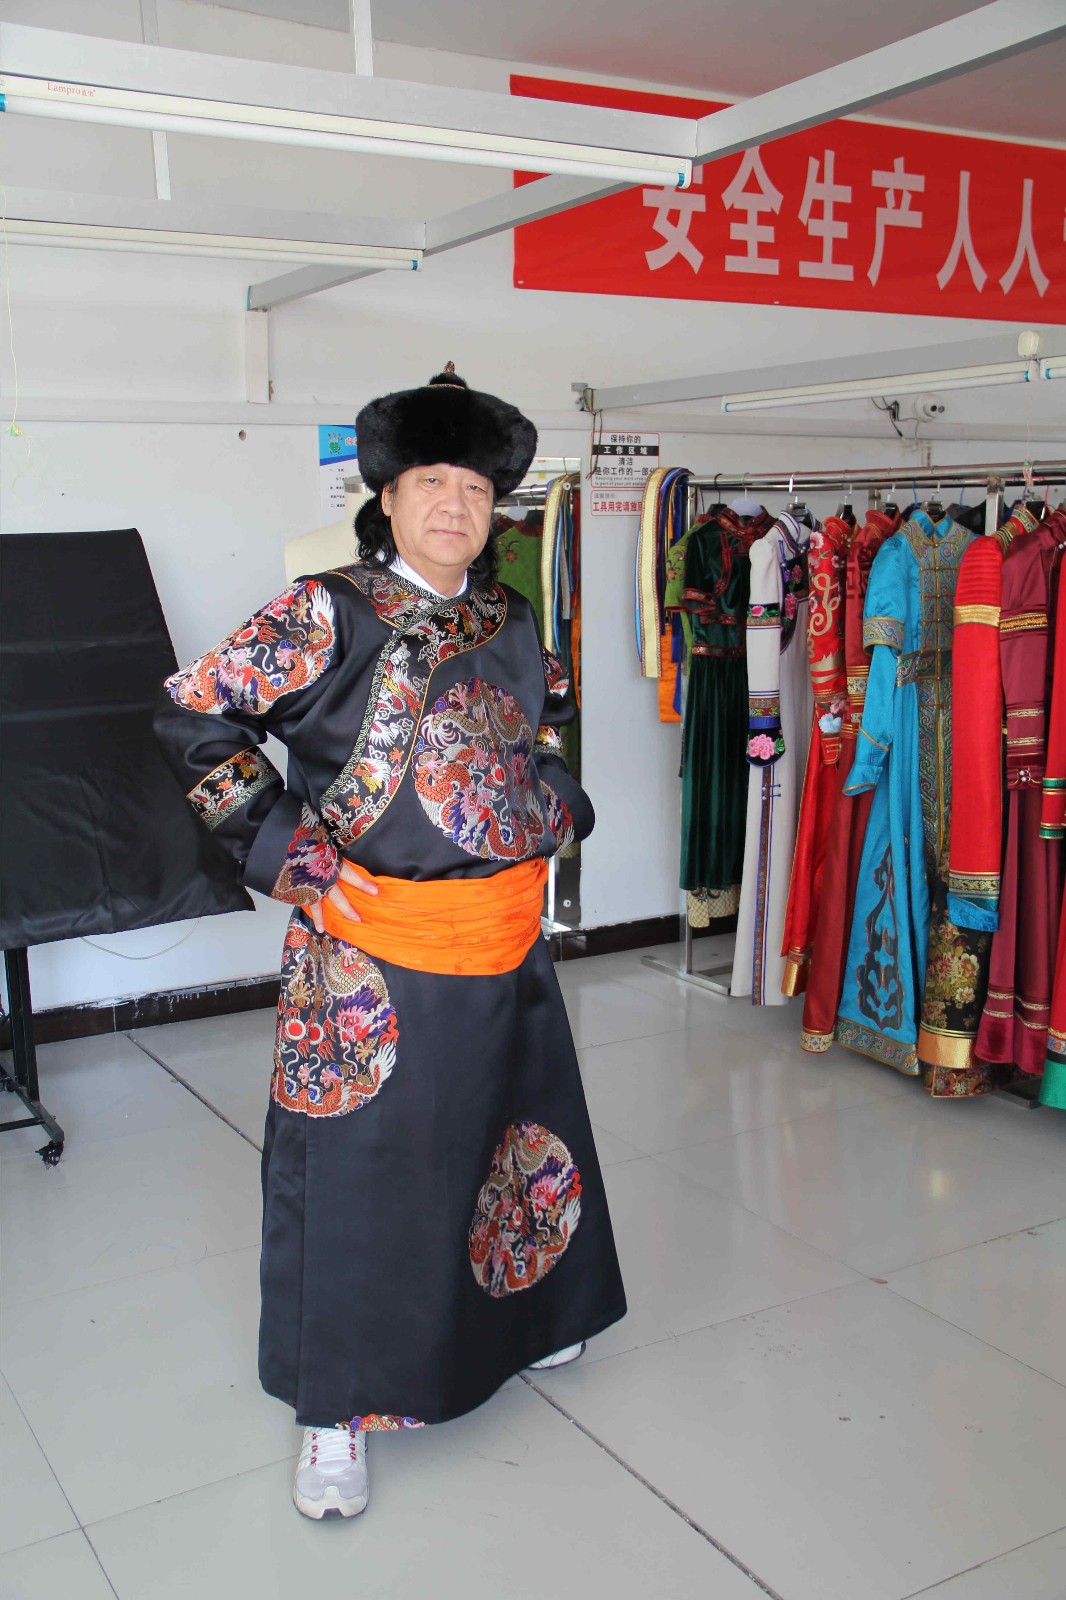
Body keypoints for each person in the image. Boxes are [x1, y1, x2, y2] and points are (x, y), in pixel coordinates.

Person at [155, 366, 627, 1520]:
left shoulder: (515, 616)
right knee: (357, 1180)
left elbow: (549, 731)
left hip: (502, 943)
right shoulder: (325, 611)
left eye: (474, 487)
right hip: (367, 953)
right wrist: (291, 855)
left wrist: (554, 806)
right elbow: (192, 711)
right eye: (432, 482)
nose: (455, 505)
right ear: (389, 497)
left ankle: (529, 1320)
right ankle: (335, 1412)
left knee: (511, 1143)